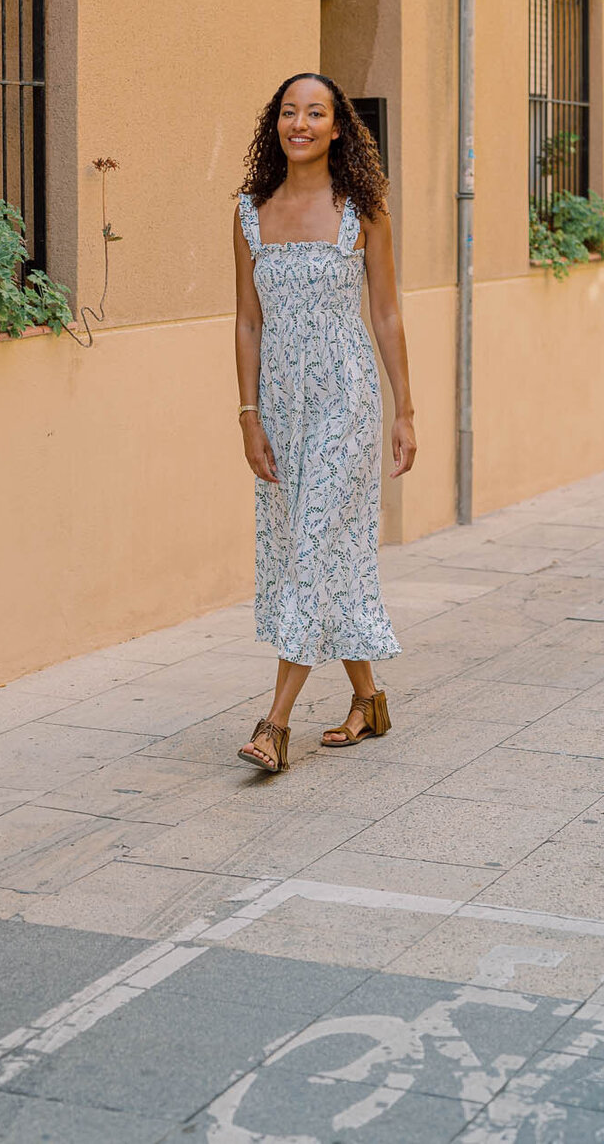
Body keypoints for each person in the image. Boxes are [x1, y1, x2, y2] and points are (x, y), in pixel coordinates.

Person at [233, 72, 416, 773]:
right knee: (316, 548)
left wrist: (405, 409)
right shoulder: (251, 211)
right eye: (288, 111)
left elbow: (388, 313)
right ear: (274, 123)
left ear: (339, 127)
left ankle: (274, 725)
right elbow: (248, 320)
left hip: (344, 396)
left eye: (316, 113)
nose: (300, 123)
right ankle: (368, 700)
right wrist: (249, 415)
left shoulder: (362, 211)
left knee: (311, 546)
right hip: (280, 403)